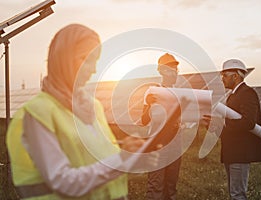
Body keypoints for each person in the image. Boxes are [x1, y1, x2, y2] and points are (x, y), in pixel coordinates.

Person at [6, 24, 148, 200]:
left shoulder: (92, 106)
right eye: (85, 59)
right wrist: (120, 161)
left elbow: (96, 161)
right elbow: (64, 181)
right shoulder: (38, 112)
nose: (93, 69)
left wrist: (129, 156)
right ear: (63, 59)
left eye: (95, 61)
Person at [220, 59, 261, 200]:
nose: (222, 79)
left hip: (240, 152)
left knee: (237, 194)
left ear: (235, 76)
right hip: (232, 152)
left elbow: (248, 122)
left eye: (225, 75)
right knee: (234, 192)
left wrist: (224, 125)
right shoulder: (234, 95)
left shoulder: (247, 93)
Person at [141, 53, 182, 200]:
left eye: (176, 69)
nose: (175, 73)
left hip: (176, 144)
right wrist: (149, 106)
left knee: (171, 186)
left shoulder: (180, 94)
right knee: (156, 185)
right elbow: (144, 120)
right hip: (158, 144)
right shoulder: (152, 91)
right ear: (162, 71)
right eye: (172, 69)